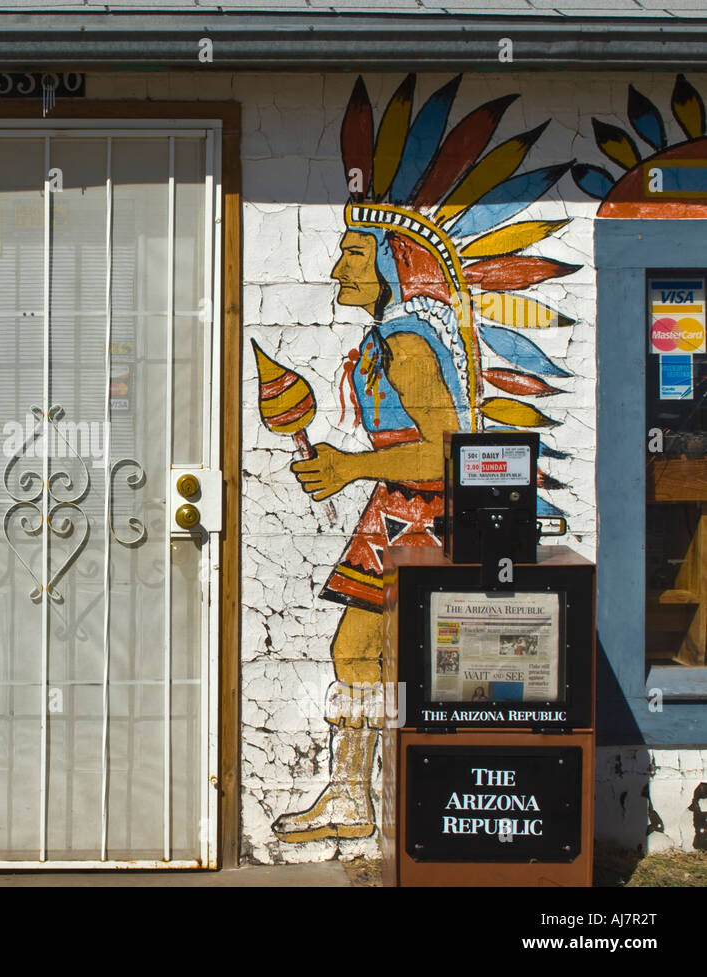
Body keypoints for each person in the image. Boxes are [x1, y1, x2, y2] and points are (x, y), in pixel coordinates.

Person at [270, 75, 575, 844]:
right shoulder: (389, 335)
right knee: (369, 650)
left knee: (385, 653)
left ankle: (375, 794)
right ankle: (365, 793)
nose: (336, 267)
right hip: (403, 505)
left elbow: (446, 452)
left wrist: (346, 467)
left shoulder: (404, 343)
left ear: (388, 260)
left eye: (350, 252)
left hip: (426, 510)